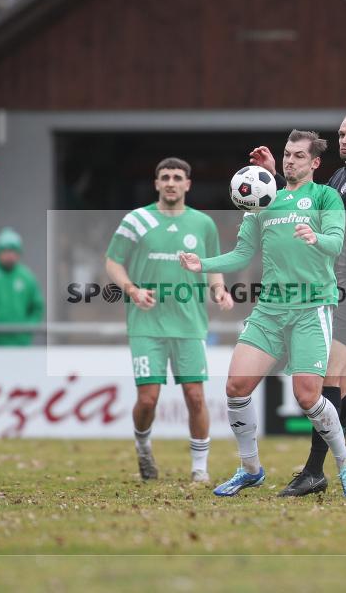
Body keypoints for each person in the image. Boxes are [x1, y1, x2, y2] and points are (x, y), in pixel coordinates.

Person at [181, 130, 346, 497]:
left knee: (308, 396)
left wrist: (315, 237)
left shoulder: (325, 196)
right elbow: (241, 254)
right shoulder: (264, 200)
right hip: (269, 309)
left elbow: (336, 242)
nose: (290, 160)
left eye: (299, 155)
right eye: (287, 154)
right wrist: (203, 264)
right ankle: (250, 469)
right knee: (236, 387)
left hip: (312, 306)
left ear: (314, 163)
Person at [249, 108, 346, 497]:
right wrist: (275, 176)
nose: (345, 140)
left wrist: (322, 230)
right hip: (334, 289)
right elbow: (302, 205)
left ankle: (314, 471)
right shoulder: (337, 178)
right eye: (341, 134)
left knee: (324, 382)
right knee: (337, 388)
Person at [106, 157, 233, 484]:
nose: (171, 183)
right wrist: (133, 290)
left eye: (177, 177)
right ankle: (143, 445)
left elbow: (212, 265)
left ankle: (200, 468)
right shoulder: (136, 220)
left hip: (189, 324)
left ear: (188, 184)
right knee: (148, 399)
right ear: (156, 183)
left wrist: (219, 289)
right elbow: (113, 262)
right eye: (165, 177)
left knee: (195, 396)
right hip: (146, 323)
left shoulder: (203, 224)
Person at [0, 227, 44, 345]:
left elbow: (37, 307)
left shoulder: (27, 277)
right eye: (5, 250)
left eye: (13, 251)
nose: (9, 255)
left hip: (21, 344)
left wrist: (28, 327)